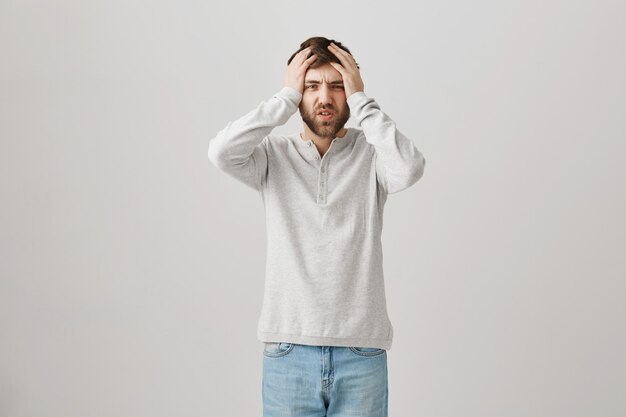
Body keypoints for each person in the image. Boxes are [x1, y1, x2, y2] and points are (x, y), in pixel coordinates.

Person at [208, 36, 426, 417]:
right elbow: (221, 152)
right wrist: (283, 100)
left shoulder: (372, 155)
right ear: (297, 93)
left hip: (361, 350)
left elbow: (410, 168)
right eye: (312, 86)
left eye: (337, 86)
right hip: (287, 350)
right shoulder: (273, 156)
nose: (324, 97)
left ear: (351, 92)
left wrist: (363, 102)